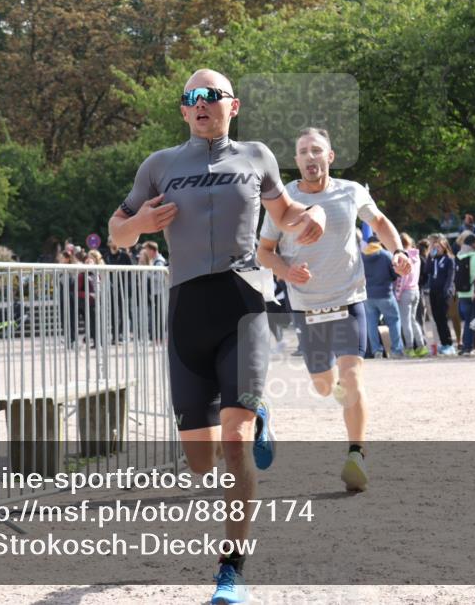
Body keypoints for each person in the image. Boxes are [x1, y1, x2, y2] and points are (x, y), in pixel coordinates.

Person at [107, 68, 327, 603]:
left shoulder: (255, 157)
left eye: (212, 96)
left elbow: (286, 212)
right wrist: (139, 226)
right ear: (183, 110)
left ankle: (232, 571)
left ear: (234, 105)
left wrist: (311, 213)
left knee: (233, 443)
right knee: (201, 461)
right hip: (187, 313)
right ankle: (253, 411)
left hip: (242, 302)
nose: (201, 103)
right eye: (192, 97)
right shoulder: (159, 165)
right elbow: (116, 230)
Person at [258, 127, 410, 492]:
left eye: (317, 151)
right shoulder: (283, 201)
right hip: (307, 308)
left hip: (349, 300)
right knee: (325, 387)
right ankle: (307, 399)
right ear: (295, 161)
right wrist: (286, 270)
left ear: (330, 157)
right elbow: (264, 252)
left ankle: (356, 455)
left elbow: (380, 223)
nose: (310, 157)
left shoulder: (351, 191)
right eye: (303, 152)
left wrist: (400, 251)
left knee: (354, 380)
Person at [362, 236, 405, 358]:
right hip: (385, 294)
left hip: (368, 296)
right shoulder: (386, 255)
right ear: (379, 243)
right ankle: (396, 350)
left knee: (371, 323)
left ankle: (377, 350)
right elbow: (395, 273)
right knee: (394, 320)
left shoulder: (362, 257)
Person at [394, 234, 427, 357]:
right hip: (415, 290)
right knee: (413, 320)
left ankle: (409, 348)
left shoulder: (403, 257)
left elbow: (402, 278)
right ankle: (421, 346)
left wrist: (397, 294)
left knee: (405, 322)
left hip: (405, 292)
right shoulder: (416, 256)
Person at [427, 235, 458, 356]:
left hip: (443, 292)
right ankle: (443, 343)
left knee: (443, 318)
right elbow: (426, 269)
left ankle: (449, 344)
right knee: (437, 319)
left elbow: (451, 277)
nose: (437, 248)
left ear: (444, 246)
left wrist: (447, 290)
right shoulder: (434, 259)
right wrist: (430, 255)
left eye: (439, 246)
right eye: (435, 247)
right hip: (433, 292)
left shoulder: (449, 259)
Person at [454, 232, 475, 355]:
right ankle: (468, 346)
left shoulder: (459, 255)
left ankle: (466, 345)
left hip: (462, 294)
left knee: (468, 322)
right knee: (473, 322)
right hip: (473, 293)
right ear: (474, 243)